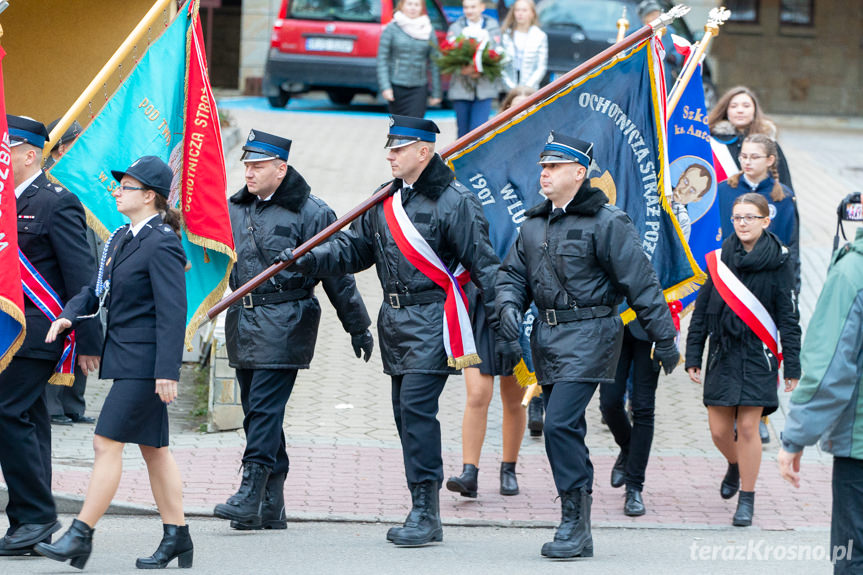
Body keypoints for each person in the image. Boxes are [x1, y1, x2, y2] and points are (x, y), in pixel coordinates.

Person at [282, 115, 518, 546]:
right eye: (389, 148)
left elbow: (485, 264)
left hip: (434, 320)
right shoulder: (384, 198)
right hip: (394, 323)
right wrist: (311, 258)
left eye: (398, 148)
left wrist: (506, 322)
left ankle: (426, 513)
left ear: (424, 152)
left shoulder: (455, 201)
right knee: (403, 417)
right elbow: (357, 249)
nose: (389, 155)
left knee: (415, 412)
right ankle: (420, 505)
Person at [496, 131, 679, 558]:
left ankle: (574, 522)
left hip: (592, 335)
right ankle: (579, 522)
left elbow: (642, 283)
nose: (544, 173)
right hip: (548, 338)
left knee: (558, 424)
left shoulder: (608, 221)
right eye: (542, 166)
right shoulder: (533, 223)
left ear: (579, 173)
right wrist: (507, 308)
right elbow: (512, 278)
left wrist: (664, 339)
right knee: (568, 428)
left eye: (553, 166)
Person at [213, 130, 373, 531]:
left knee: (265, 409)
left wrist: (357, 326)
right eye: (246, 164)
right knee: (257, 413)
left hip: (286, 321)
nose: (248, 172)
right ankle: (271, 503)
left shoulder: (312, 211)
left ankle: (250, 491)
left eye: (258, 165)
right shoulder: (234, 208)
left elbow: (339, 273)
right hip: (242, 321)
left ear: (281, 168)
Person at [37, 156, 191, 569]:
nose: (117, 191)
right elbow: (94, 288)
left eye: (126, 186)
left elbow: (174, 311)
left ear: (149, 196)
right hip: (127, 357)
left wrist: (167, 371)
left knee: (105, 442)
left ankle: (80, 535)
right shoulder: (123, 236)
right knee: (154, 450)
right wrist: (70, 313)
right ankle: (178, 537)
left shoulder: (162, 243)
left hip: (146, 364)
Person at [0, 115, 101, 558]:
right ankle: (30, 521)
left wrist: (90, 342)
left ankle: (36, 513)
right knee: (29, 419)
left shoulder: (57, 202)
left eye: (8, 148)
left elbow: (84, 279)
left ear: (28, 154)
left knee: (5, 413)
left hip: (40, 331)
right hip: (8, 330)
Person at [686, 192, 801, 527]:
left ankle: (746, 499)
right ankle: (735, 465)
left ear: (766, 221)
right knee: (720, 431)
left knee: (749, 426)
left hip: (758, 355)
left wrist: (792, 364)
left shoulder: (780, 261)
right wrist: (693, 353)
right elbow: (703, 313)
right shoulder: (719, 260)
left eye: (750, 217)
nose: (742, 223)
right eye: (737, 217)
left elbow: (789, 318)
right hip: (723, 352)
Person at [778, 223, 863, 575]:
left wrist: (796, 436)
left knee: (853, 555)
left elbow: (830, 367)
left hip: (859, 452)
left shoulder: (853, 272)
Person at [43, 118, 100, 427]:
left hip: (88, 269)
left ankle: (73, 405)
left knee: (86, 333)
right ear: (60, 149)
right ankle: (51, 406)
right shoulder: (53, 185)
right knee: (61, 337)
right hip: (59, 274)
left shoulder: (84, 182)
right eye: (78, 143)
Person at [445, 281, 526, 498]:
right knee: (478, 394)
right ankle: (469, 472)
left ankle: (509, 468)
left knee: (514, 398)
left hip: (515, 303)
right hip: (479, 305)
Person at [718, 134, 799, 291]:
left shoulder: (784, 196)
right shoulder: (724, 190)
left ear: (769, 160)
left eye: (754, 157)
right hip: (730, 277)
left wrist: (794, 287)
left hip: (769, 280)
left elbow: (792, 245)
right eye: (744, 156)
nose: (747, 162)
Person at [707, 86, 794, 190]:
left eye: (746, 106)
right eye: (734, 106)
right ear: (726, 111)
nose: (740, 110)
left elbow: (784, 182)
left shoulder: (769, 142)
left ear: (754, 111)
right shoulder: (712, 143)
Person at [377, 0, 442, 118]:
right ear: (402, 6)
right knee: (398, 130)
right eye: (409, 4)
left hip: (419, 87)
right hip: (396, 87)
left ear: (421, 7)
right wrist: (385, 87)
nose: (413, 8)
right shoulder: (391, 28)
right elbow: (382, 59)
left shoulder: (428, 30)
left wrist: (437, 92)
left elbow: (435, 62)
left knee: (415, 127)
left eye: (416, 5)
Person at [447, 0, 503, 138]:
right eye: (466, 7)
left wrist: (481, 68)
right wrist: (462, 68)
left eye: (473, 7)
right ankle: (459, 160)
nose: (469, 10)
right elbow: (449, 54)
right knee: (462, 134)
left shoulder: (492, 27)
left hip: (484, 89)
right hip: (461, 87)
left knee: (478, 133)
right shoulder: (455, 27)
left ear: (482, 7)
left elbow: (497, 52)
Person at [500, 0, 547, 91]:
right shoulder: (506, 34)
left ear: (532, 13)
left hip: (530, 89)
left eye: (524, 10)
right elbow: (500, 64)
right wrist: (511, 87)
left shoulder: (540, 36)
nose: (520, 13)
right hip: (507, 89)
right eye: (517, 10)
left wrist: (527, 87)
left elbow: (541, 67)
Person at [636, 0, 684, 90]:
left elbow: (677, 49)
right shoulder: (636, 34)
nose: (655, 18)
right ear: (644, 19)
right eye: (651, 15)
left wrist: (674, 56)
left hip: (665, 74)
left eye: (657, 14)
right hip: (642, 75)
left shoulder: (669, 31)